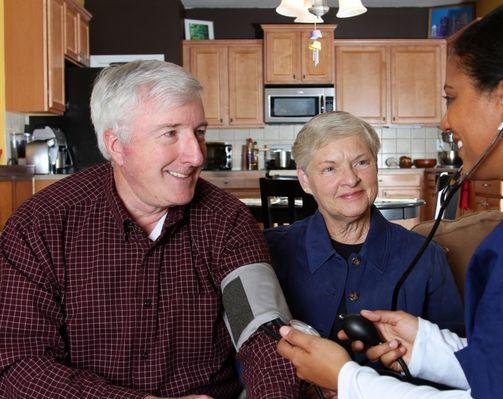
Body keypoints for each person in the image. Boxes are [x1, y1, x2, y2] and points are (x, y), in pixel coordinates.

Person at [276, 1, 503, 397]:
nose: (445, 121)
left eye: (451, 97)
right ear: (305, 180)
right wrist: (427, 346)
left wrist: (348, 380)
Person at [0, 60, 300, 398]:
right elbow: (19, 366)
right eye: (170, 133)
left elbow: (263, 337)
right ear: (116, 146)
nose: (196, 156)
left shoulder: (226, 222)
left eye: (198, 132)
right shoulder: (40, 226)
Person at [265, 111, 463, 346]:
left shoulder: (427, 258)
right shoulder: (267, 252)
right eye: (330, 168)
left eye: (361, 162)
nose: (350, 179)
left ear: (376, 167)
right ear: (305, 180)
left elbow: (457, 357)